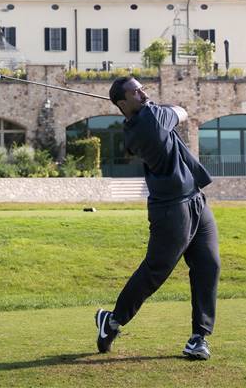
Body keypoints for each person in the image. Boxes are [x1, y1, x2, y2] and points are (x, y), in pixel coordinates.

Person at [95, 77, 220, 360]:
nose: (143, 94)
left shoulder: (139, 122)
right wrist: (157, 106)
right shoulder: (150, 121)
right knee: (156, 271)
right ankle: (112, 321)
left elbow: (164, 113)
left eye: (143, 89)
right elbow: (182, 111)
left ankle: (199, 337)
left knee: (208, 265)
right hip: (171, 209)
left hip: (196, 200)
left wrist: (147, 105)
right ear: (123, 103)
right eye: (136, 92)